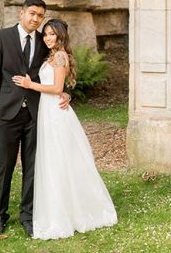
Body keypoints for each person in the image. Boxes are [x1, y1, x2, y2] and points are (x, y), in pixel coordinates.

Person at [12, 19, 118, 239]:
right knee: (53, 161)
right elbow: (62, 89)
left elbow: (58, 88)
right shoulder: (52, 55)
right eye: (46, 35)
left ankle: (68, 212)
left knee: (59, 160)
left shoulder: (59, 56)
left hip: (55, 114)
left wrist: (30, 85)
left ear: (61, 36)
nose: (48, 38)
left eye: (52, 35)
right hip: (48, 111)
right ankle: (58, 208)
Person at [0, 0, 70, 237]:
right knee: (5, 167)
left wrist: (67, 94)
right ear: (21, 13)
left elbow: (57, 73)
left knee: (32, 168)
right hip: (7, 115)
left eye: (40, 16)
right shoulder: (1, 37)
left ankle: (28, 215)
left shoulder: (45, 43)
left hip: (36, 115)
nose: (36, 19)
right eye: (32, 13)